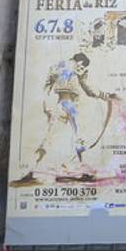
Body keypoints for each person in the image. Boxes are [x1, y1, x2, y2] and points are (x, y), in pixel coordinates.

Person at [11, 53, 116, 186]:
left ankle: (29, 171)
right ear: (79, 62)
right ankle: (85, 172)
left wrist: (46, 106)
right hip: (70, 106)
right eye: (82, 65)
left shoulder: (57, 67)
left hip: (61, 105)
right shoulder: (76, 69)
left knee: (51, 138)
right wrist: (106, 95)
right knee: (77, 138)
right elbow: (89, 90)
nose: (81, 67)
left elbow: (46, 87)